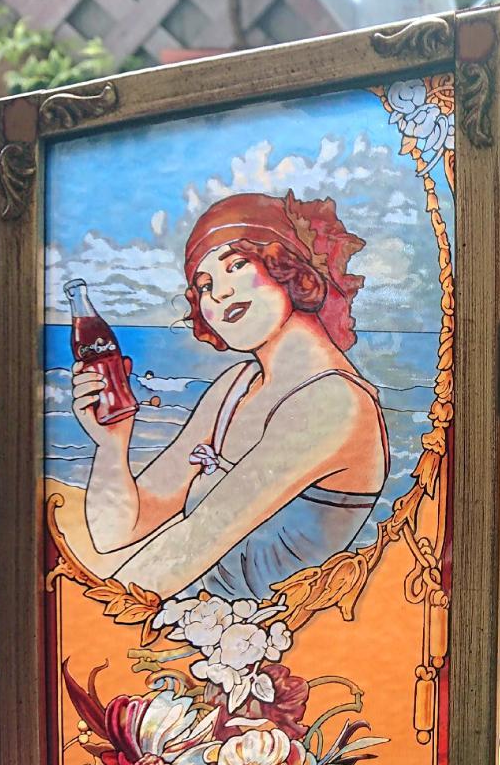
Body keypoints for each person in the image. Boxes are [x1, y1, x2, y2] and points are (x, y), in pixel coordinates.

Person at [70, 190, 389, 600]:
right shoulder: (236, 386)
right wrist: (111, 444)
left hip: (257, 633)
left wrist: (97, 613)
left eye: (236, 265)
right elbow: (118, 531)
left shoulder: (333, 402)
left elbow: (192, 544)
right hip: (196, 619)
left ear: (287, 266)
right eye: (204, 286)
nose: (217, 294)